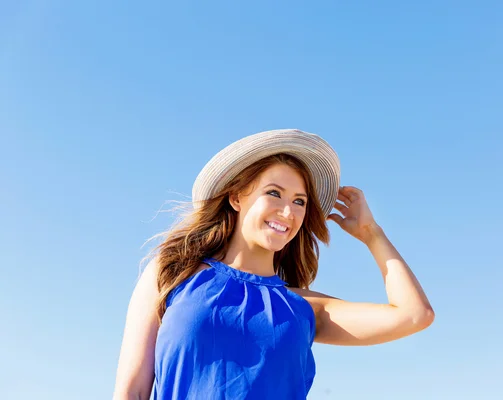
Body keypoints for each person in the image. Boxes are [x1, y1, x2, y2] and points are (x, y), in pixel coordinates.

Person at [113, 129, 434, 400]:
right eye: (274, 193)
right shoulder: (173, 272)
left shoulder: (304, 308)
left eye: (299, 201)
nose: (288, 211)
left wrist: (371, 234)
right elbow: (132, 392)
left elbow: (414, 315)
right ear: (237, 197)